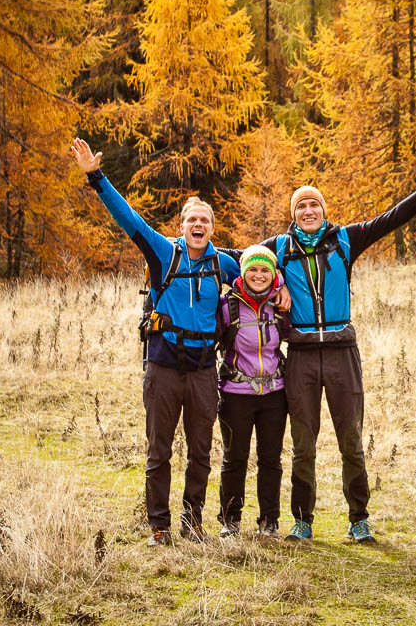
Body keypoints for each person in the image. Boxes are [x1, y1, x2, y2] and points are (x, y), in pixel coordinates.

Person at [259, 154, 416, 543]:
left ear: (323, 210)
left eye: (313, 204)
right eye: (300, 205)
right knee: (303, 445)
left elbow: (392, 219)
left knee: (351, 440)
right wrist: (274, 285)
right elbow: (243, 262)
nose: (307, 210)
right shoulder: (278, 248)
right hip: (300, 357)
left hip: (341, 354)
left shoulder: (345, 240)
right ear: (293, 213)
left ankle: (359, 520)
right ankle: (302, 522)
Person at [70, 137, 246, 547]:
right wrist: (95, 176)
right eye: (192, 221)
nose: (198, 226)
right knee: (159, 452)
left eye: (205, 221)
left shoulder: (223, 263)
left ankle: (193, 521)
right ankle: (159, 527)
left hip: (203, 370)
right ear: (181, 227)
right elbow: (128, 218)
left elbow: (259, 272)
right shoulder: (164, 253)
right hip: (163, 366)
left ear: (213, 229)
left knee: (201, 452)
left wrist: (280, 288)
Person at [216, 245, 291, 539]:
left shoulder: (281, 306)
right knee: (235, 457)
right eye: (252, 269)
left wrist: (283, 286)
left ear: (273, 275)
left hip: (275, 394)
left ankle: (269, 521)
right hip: (235, 393)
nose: (258, 275)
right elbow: (212, 343)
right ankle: (230, 520)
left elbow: (291, 338)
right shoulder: (227, 306)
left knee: (270, 459)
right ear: (242, 272)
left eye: (265, 270)